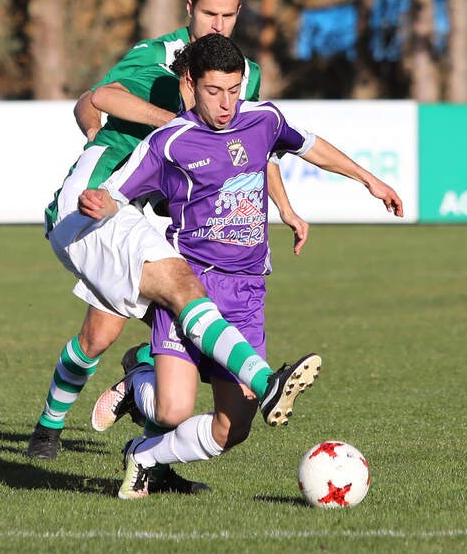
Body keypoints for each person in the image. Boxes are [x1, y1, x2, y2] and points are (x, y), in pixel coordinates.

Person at [78, 33, 403, 499]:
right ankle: (139, 380)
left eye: (234, 89)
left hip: (246, 292)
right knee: (171, 411)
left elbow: (310, 145)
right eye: (214, 91)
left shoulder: (263, 120)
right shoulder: (169, 143)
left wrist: (369, 180)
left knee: (232, 430)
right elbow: (117, 192)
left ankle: (144, 455)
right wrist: (99, 201)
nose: (227, 102)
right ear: (190, 84)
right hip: (190, 285)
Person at [27, 0, 309, 467]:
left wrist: (284, 207)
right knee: (101, 333)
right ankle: (51, 426)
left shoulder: (238, 68)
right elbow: (98, 98)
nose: (218, 25)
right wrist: (178, 129)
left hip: (159, 214)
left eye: (229, 15)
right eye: (208, 13)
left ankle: (152, 445)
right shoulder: (161, 56)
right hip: (111, 203)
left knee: (178, 314)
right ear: (189, 9)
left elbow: (250, 148)